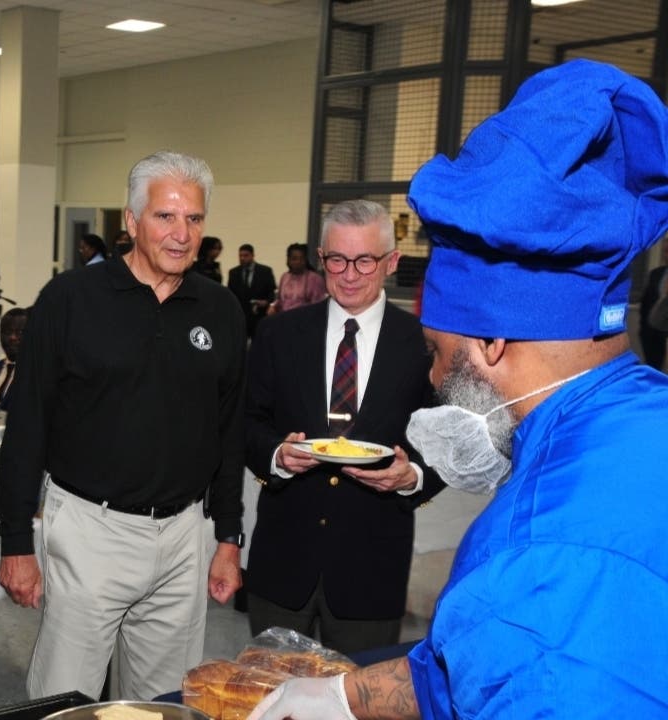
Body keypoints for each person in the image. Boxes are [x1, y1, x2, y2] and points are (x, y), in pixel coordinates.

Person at [250, 60, 668, 720]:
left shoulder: (536, 550)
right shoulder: (644, 415)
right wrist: (343, 694)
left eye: (439, 355)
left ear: (493, 341)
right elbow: (475, 660)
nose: (432, 378)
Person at [0, 150, 247, 702]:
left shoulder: (221, 309)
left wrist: (227, 536)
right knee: (65, 703)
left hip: (183, 536)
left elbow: (229, 432)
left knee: (162, 706)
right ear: (131, 221)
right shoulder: (69, 300)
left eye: (195, 219)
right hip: (90, 531)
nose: (182, 234)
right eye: (165, 217)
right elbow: (28, 424)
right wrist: (15, 541)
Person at [244, 200, 443, 656]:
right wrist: (277, 455)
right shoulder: (279, 335)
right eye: (337, 259)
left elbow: (448, 438)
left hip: (370, 572)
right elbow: (248, 422)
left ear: (391, 262)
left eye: (365, 260)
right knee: (268, 698)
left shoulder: (424, 344)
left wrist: (411, 476)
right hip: (282, 566)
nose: (349, 274)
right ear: (320, 257)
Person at [227, 244, 277, 339]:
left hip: (259, 315)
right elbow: (230, 294)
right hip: (240, 315)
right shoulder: (233, 272)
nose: (242, 258)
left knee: (259, 343)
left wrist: (266, 302)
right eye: (240, 256)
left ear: (252, 255)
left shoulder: (265, 271)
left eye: (245, 255)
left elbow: (272, 292)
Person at [270, 242, 326, 313]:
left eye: (301, 258)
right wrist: (272, 306)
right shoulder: (285, 277)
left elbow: (318, 306)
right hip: (284, 318)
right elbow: (279, 300)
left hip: (304, 320)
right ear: (288, 260)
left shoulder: (315, 279)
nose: (298, 262)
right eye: (294, 259)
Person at [639, 239, 668, 370]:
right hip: (650, 337)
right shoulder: (655, 274)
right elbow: (644, 304)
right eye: (664, 251)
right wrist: (642, 331)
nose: (666, 255)